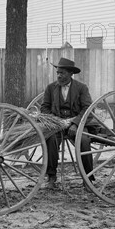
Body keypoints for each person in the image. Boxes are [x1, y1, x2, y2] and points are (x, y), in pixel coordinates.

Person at [40, 57, 95, 189]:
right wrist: (55, 121)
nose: (59, 75)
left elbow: (87, 108)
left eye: (62, 73)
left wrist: (76, 124)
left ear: (71, 74)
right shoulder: (50, 88)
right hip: (57, 125)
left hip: (77, 124)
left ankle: (88, 178)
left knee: (84, 141)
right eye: (58, 73)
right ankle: (51, 177)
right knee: (50, 139)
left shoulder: (81, 88)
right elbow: (44, 108)